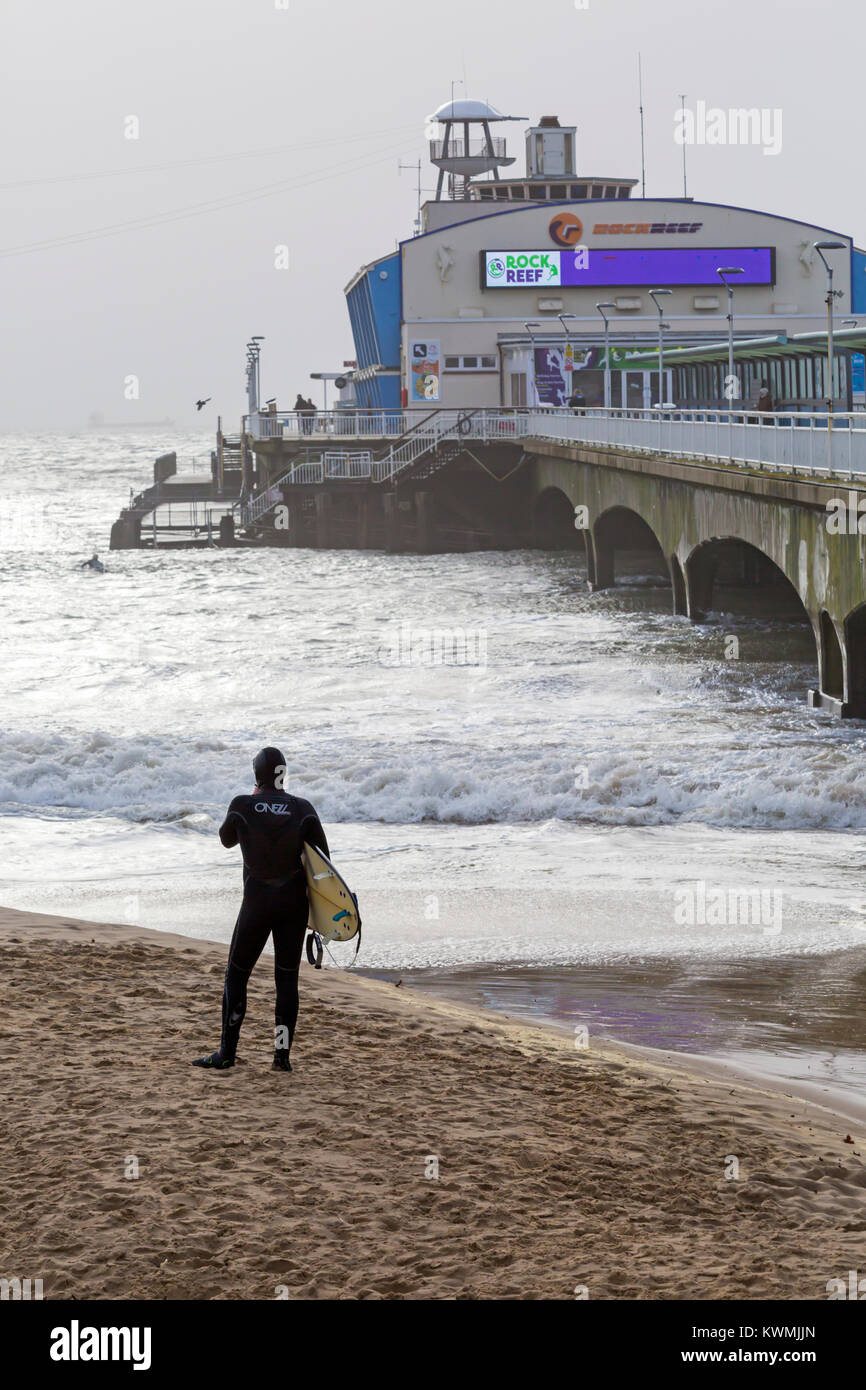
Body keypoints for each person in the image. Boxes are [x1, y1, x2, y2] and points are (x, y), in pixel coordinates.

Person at [193, 747, 329, 1073]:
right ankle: (281, 1059)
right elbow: (323, 864)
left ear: (257, 775)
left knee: (237, 975)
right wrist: (318, 917)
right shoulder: (303, 809)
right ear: (283, 772)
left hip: (256, 905)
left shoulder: (243, 805)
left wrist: (254, 804)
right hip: (293, 906)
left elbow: (226, 839)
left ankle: (226, 1053)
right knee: (286, 982)